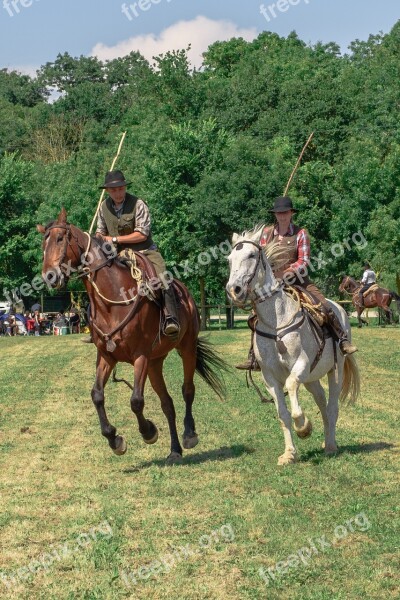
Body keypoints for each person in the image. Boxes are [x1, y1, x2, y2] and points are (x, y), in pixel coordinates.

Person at [236, 196, 358, 370]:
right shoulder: (266, 234)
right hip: (272, 285)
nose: (282, 215)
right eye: (279, 212)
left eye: (285, 212)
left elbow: (304, 261)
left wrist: (284, 273)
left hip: (299, 281)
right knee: (255, 315)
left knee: (323, 305)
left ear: (291, 213)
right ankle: (254, 357)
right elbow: (260, 259)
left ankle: (343, 341)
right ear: (275, 214)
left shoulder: (301, 234)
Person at [82, 170, 179, 343]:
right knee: (96, 279)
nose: (117, 193)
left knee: (162, 277)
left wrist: (113, 239)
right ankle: (96, 326)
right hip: (117, 255)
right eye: (113, 190)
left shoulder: (138, 204)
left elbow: (142, 234)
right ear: (107, 191)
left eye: (120, 189)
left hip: (145, 251)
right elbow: (100, 231)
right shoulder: (103, 208)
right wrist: (96, 238)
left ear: (125, 187)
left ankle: (170, 318)